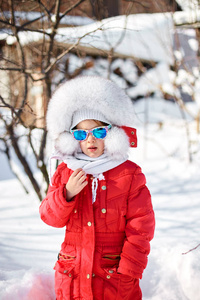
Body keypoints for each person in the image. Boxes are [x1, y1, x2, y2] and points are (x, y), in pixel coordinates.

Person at [39, 76, 155, 300]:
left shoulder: (129, 173)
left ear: (110, 133)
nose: (90, 139)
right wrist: (67, 194)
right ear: (73, 139)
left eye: (98, 132)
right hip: (73, 273)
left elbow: (142, 225)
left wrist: (130, 269)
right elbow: (49, 217)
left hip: (114, 277)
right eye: (81, 134)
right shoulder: (66, 171)